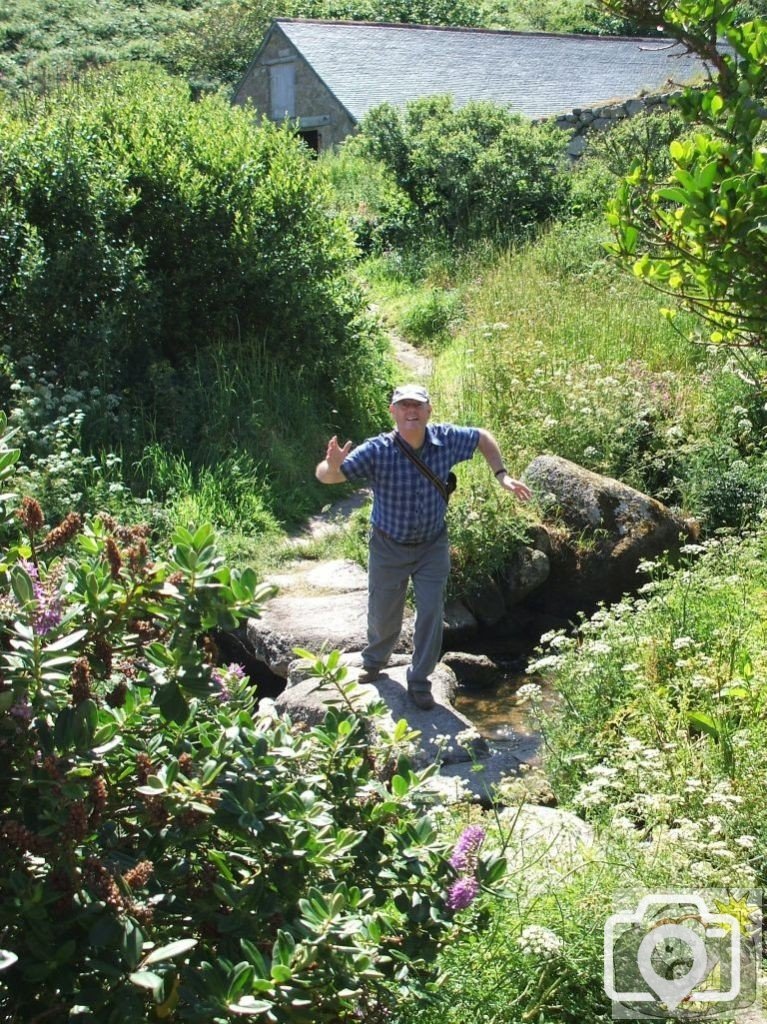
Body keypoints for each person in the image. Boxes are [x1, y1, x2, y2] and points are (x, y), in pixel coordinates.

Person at [315, 384, 532, 710]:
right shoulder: (376, 450)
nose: (410, 411)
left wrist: (501, 474)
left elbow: (483, 437)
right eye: (403, 406)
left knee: (431, 613)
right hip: (388, 545)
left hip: (432, 544)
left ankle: (419, 681)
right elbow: (327, 477)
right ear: (393, 412)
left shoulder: (446, 439)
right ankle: (374, 662)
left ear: (429, 411)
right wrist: (331, 465)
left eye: (417, 405)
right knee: (384, 613)